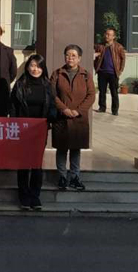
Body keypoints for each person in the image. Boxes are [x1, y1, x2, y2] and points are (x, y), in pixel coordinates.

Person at [10, 54, 57, 211]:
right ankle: (23, 196)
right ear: (27, 67)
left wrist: (51, 117)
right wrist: (14, 123)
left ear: (43, 68)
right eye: (32, 65)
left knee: (37, 163)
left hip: (40, 129)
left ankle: (35, 196)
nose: (35, 69)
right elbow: (13, 105)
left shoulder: (48, 85)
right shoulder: (20, 84)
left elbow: (52, 105)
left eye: (38, 66)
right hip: (23, 129)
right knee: (23, 163)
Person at [51, 44, 96, 192]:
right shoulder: (57, 74)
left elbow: (91, 95)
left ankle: (75, 177)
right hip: (61, 117)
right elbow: (52, 94)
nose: (70, 58)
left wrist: (78, 111)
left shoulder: (85, 75)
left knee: (76, 149)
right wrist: (63, 109)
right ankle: (62, 177)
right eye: (67, 55)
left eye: (73, 55)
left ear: (79, 58)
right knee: (61, 148)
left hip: (79, 118)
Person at [94, 27, 126, 116]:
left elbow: (123, 59)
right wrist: (96, 67)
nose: (106, 36)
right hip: (102, 72)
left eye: (109, 34)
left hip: (113, 73)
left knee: (114, 92)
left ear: (113, 37)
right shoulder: (100, 46)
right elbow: (95, 57)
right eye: (106, 34)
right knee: (102, 91)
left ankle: (115, 110)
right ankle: (102, 107)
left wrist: (120, 71)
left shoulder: (118, 47)